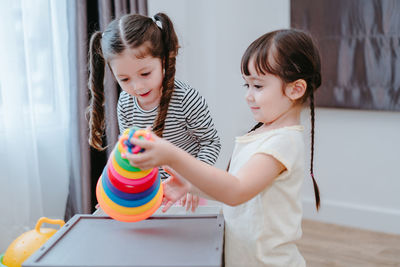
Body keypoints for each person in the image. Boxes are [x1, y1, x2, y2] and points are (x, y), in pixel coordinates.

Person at [124, 29, 321, 266]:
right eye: (246, 85)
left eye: (257, 86)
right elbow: (239, 193)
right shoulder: (263, 133)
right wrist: (190, 187)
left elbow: (236, 191)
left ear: (295, 89)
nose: (248, 96)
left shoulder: (283, 142)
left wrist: (173, 155)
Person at [87, 13, 221, 211]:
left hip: (185, 193)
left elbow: (211, 143)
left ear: (164, 60)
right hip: (147, 195)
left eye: (145, 73)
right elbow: (127, 150)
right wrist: (114, 191)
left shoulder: (186, 98)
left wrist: (193, 183)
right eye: (124, 79)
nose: (138, 86)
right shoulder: (125, 102)